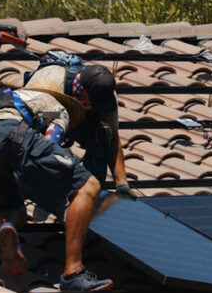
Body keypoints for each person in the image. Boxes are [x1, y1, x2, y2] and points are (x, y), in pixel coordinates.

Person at [0, 81, 113, 292]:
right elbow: (50, 143)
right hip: (11, 132)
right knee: (88, 186)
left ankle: (8, 226)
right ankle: (73, 273)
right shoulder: (58, 109)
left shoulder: (8, 101)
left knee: (14, 211)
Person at [24, 56, 135, 199]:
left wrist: (122, 182)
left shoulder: (105, 93)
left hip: (77, 118)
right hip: (44, 114)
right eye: (95, 103)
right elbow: (28, 118)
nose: (99, 107)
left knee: (102, 134)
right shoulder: (52, 81)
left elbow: (113, 138)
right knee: (50, 147)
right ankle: (48, 190)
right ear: (82, 90)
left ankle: (91, 193)